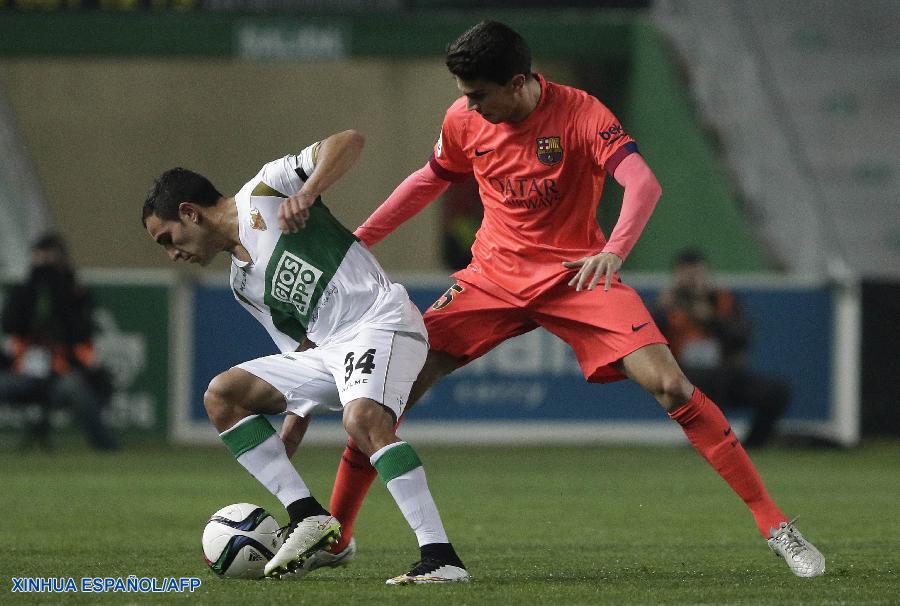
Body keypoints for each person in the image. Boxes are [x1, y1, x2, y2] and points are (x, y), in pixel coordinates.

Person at [280, 21, 825, 578]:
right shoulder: (464, 120)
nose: (466, 105)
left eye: (477, 94)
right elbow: (429, 180)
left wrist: (614, 249)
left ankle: (775, 525)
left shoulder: (583, 115)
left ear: (518, 83)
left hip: (578, 276)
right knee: (380, 403)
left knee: (671, 384)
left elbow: (643, 184)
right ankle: (338, 537)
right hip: (490, 278)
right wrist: (359, 242)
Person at [141, 130, 468, 584]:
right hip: (330, 353)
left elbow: (350, 140)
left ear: (190, 212)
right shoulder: (242, 284)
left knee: (363, 420)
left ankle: (441, 556)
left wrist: (309, 192)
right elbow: (300, 352)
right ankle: (308, 515)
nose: (172, 253)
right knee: (223, 396)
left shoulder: (267, 189)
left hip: (381, 320)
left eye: (167, 238)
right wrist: (293, 424)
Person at [655, 249, 791, 448]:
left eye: (698, 275)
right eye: (688, 277)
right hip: (686, 378)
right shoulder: (667, 306)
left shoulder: (724, 301)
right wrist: (662, 309)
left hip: (727, 376)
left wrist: (712, 319)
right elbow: (651, 341)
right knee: (712, 380)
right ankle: (711, 441)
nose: (694, 282)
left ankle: (753, 445)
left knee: (777, 392)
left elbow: (741, 337)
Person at [0, 233, 117, 451]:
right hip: (23, 371)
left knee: (77, 388)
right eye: (39, 257)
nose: (43, 264)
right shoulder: (22, 292)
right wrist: (34, 290)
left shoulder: (74, 292)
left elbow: (80, 330)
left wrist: (58, 286)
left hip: (60, 372)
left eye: (49, 258)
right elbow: (10, 324)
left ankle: (102, 443)